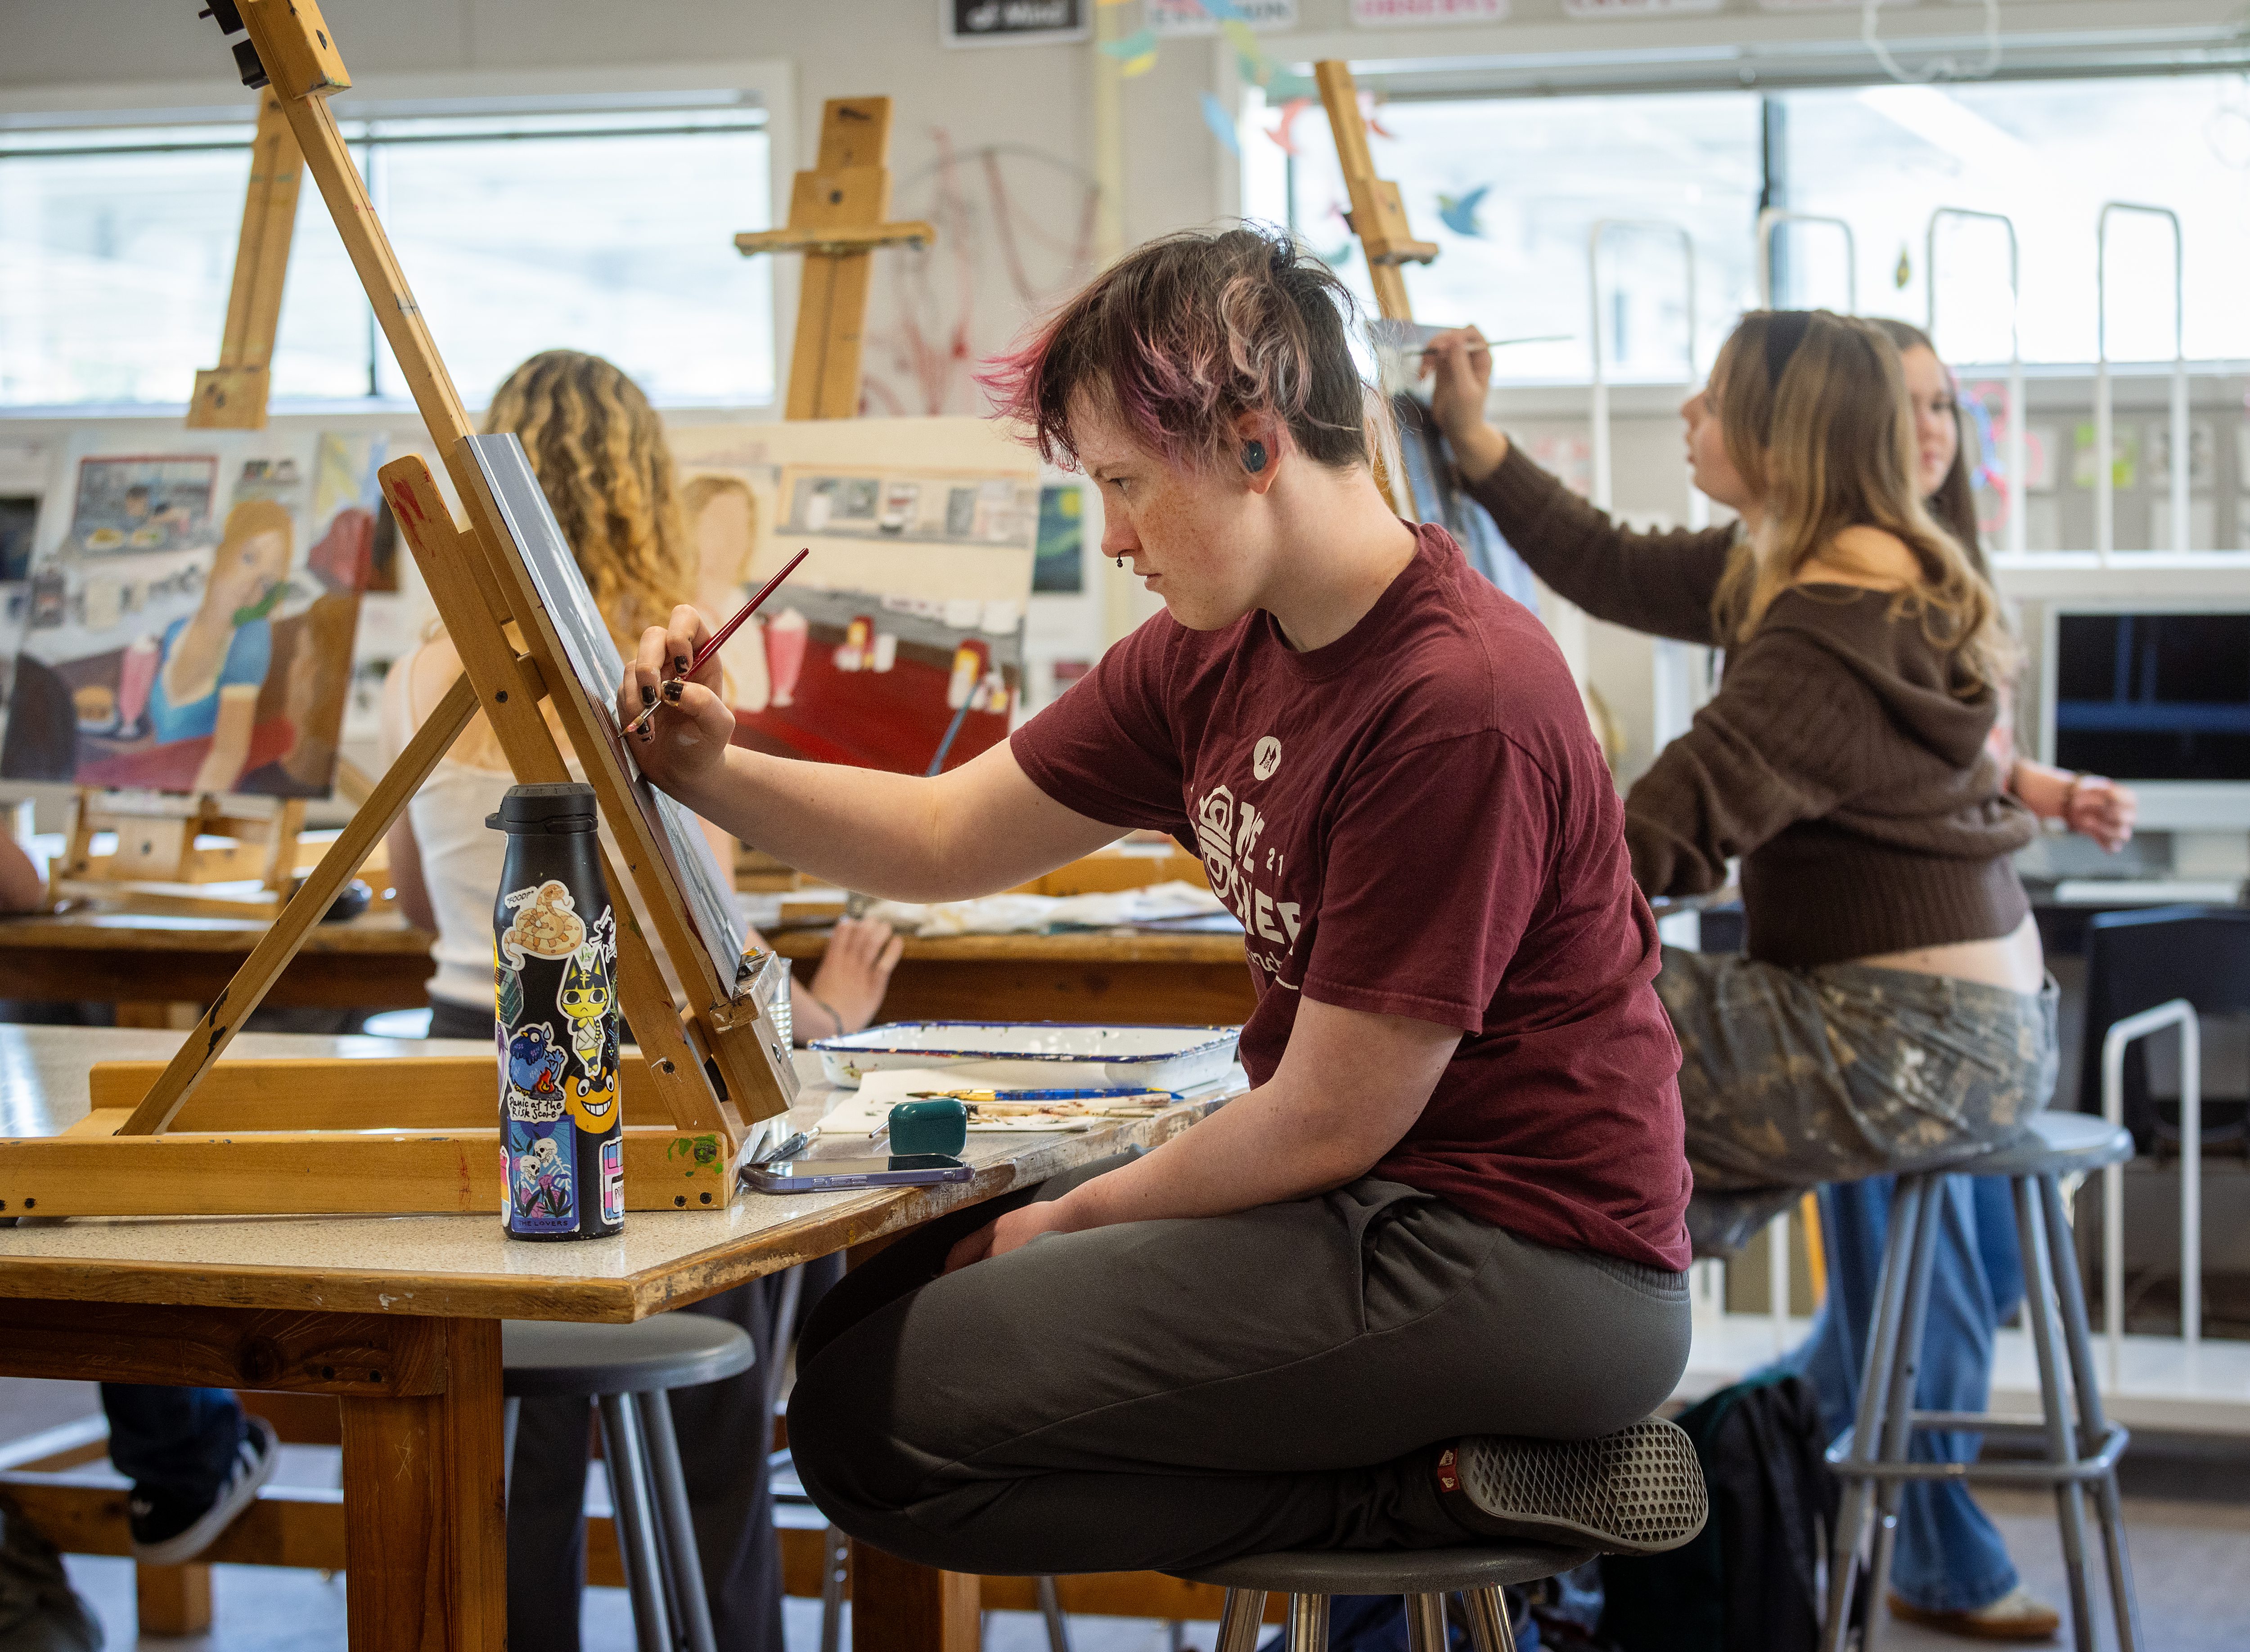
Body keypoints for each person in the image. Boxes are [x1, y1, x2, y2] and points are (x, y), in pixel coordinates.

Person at [621, 226, 1704, 1578]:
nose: (1118, 535)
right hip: (1375, 1199)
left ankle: (1431, 1494)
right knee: (866, 1319)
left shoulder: (1458, 700)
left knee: (863, 1424)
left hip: (1524, 1263)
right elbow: (949, 834)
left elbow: (1330, 1114)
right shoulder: (1211, 647)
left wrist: (1072, 1216)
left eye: (1129, 484)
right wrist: (707, 769)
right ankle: (1386, 1462)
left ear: (1256, 441)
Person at [1423, 310, 2064, 1640]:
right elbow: (1611, 563)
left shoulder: (1827, 625)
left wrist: (1433, 898)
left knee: (1530, 1040)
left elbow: (1656, 837)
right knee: (1608, 1127)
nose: (1688, 421)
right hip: (1962, 1029)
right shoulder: (1837, 562)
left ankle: (1540, 1419)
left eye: (1711, 403)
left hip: (1910, 1038)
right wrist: (1474, 447)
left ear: (1778, 437)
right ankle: (1580, 1425)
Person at [380, 349, 899, 1652]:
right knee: (720, 1443)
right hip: (647, 1076)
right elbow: (696, 951)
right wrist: (826, 1012)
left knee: (521, 1440)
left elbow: (420, 912)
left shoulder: (425, 659)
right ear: (643, 484)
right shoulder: (662, 666)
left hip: (467, 1055)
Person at [1772, 319, 2142, 1644]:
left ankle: (1745, 1456)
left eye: (1944, 404)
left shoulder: (1934, 576)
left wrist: (2048, 787)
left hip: (1964, 1001)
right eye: (1906, 404)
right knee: (1911, 1307)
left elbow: (1954, 762)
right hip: (1878, 998)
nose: (1932, 427)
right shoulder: (1824, 591)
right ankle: (1931, 1542)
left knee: (1962, 1291)